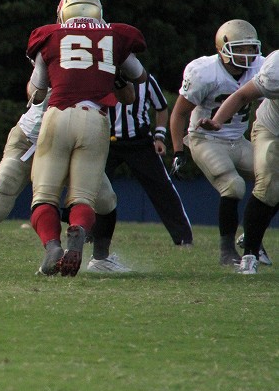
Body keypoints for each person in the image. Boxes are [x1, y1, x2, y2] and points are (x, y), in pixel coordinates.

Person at [25, 0, 146, 276]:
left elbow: (37, 92)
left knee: (44, 196)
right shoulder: (115, 36)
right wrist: (109, 68)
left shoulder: (48, 36)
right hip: (94, 119)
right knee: (83, 197)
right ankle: (78, 229)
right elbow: (139, 77)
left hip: (57, 115)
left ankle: (52, 246)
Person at [0, 89, 121, 274]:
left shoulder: (104, 71)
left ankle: (100, 258)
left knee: (105, 199)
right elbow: (34, 92)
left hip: (69, 147)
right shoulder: (54, 68)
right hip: (30, 141)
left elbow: (128, 94)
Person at [168, 19, 265, 266]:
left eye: (250, 48)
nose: (247, 55)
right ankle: (226, 251)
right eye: (240, 49)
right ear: (223, 48)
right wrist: (178, 151)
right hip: (206, 139)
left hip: (238, 140)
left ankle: (252, 237)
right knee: (233, 186)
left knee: (273, 182)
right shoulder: (204, 72)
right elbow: (179, 113)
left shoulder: (261, 67)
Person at [84, 74, 194, 270]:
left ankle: (183, 237)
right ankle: (87, 232)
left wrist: (159, 137)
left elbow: (161, 108)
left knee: (162, 187)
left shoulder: (146, 80)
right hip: (106, 140)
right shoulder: (101, 75)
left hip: (139, 142)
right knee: (91, 187)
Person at [198, 48, 279, 274]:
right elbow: (243, 95)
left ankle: (253, 232)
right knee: (268, 186)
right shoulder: (276, 69)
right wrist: (217, 121)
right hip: (272, 130)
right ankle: (250, 255)